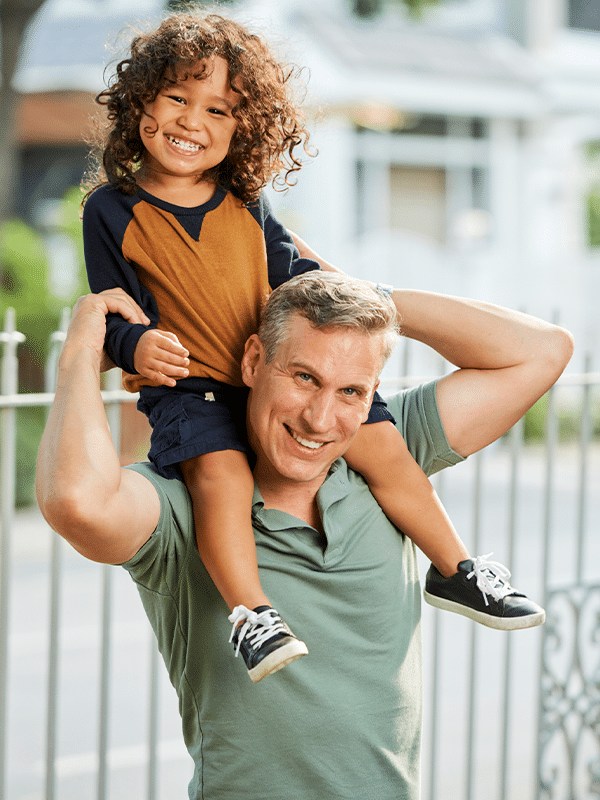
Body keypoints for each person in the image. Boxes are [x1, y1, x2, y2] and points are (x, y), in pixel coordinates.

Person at [82, 12, 544, 682]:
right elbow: (113, 311)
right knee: (220, 481)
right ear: (142, 101)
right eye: (178, 98)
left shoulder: (244, 198)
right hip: (196, 386)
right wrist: (136, 344)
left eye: (218, 109)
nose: (192, 121)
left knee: (386, 451)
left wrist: (354, 303)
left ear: (241, 128)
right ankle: (251, 616)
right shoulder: (112, 211)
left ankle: (458, 570)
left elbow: (295, 271)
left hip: (282, 368)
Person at [36, 272, 573, 800]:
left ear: (371, 399)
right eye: (304, 378)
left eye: (351, 391)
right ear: (253, 362)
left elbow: (543, 352)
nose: (320, 419)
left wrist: (374, 299)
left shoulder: (392, 456)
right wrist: (82, 351)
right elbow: (75, 502)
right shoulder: (187, 499)